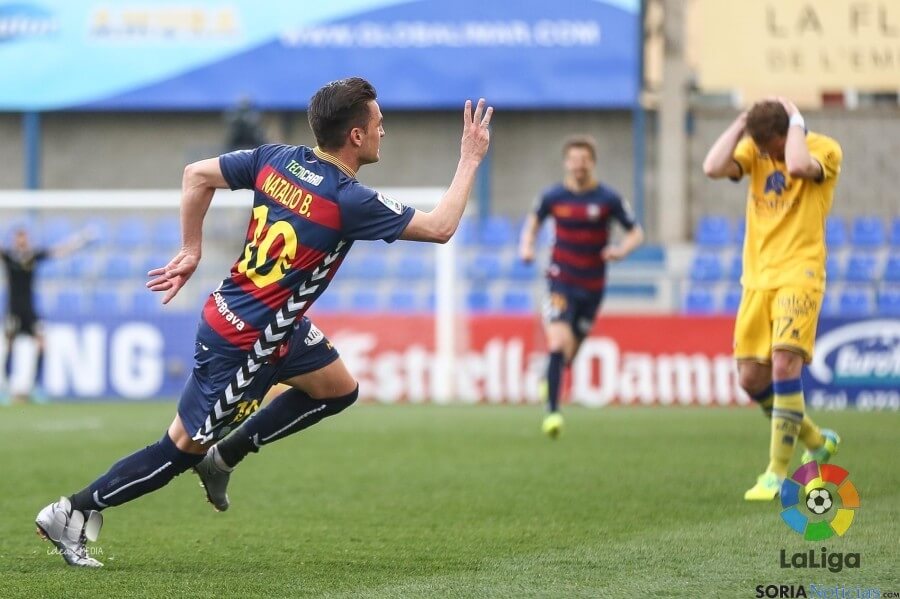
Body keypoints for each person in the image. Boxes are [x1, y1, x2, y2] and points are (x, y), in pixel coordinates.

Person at [35, 77, 493, 567]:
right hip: (245, 345)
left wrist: (191, 249)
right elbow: (442, 227)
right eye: (379, 124)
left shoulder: (277, 158)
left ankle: (225, 457)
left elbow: (195, 175)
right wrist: (469, 157)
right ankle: (71, 512)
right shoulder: (348, 199)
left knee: (338, 388)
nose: (385, 131)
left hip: (271, 324)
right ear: (355, 136)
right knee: (180, 448)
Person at [702, 97, 842, 501]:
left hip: (801, 272)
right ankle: (816, 439)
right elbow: (712, 167)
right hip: (757, 278)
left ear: (790, 131)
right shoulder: (755, 149)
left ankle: (777, 473)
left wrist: (796, 122)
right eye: (761, 147)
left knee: (784, 362)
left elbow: (798, 166)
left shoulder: (824, 149)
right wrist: (742, 123)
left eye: (772, 145)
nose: (767, 155)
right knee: (750, 379)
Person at [518, 135, 644, 438]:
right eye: (574, 159)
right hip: (560, 281)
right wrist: (526, 246)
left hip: (592, 286)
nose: (579, 165)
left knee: (568, 355)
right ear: (566, 163)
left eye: (584, 160)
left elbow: (636, 232)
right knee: (557, 344)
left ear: (592, 163)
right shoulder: (553, 197)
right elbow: (533, 222)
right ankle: (552, 412)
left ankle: (549, 379)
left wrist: (621, 251)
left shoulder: (607, 200)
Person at [2, 227, 92, 403]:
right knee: (10, 345)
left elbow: (58, 252)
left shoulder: (33, 256)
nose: (21, 241)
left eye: (24, 238)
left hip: (30, 310)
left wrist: (79, 241)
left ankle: (35, 386)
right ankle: (6, 387)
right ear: (14, 240)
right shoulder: (9, 256)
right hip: (13, 309)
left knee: (42, 344)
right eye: (19, 238)